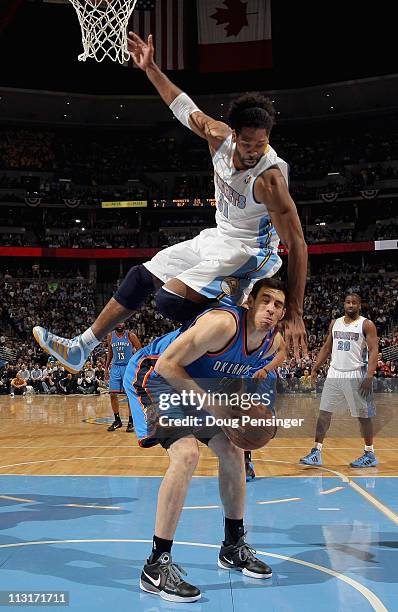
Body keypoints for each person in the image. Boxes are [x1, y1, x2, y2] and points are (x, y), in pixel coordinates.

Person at [32, 32, 307, 372]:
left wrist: (295, 311)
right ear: (233, 135)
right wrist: (150, 68)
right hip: (219, 238)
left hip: (251, 253)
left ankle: (229, 344)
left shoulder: (270, 180)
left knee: (168, 299)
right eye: (248, 144)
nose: (254, 152)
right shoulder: (217, 136)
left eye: (261, 145)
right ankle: (81, 347)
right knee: (140, 277)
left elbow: (297, 244)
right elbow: (182, 106)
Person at [123, 278, 286, 602]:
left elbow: (236, 376)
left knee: (232, 450)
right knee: (187, 455)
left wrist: (236, 414)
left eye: (278, 305)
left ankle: (233, 547)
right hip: (154, 376)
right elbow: (168, 365)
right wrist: (212, 405)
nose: (270, 309)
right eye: (265, 300)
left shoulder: (269, 342)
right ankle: (155, 566)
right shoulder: (222, 324)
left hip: (198, 386)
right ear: (250, 302)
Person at [300, 293, 379, 468]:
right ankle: (316, 452)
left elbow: (374, 351)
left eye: (354, 303)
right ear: (344, 304)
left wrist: (369, 376)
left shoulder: (366, 324)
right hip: (334, 373)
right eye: (348, 302)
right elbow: (327, 347)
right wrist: (315, 367)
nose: (351, 305)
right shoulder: (335, 323)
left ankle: (370, 453)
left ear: (360, 305)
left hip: (355, 374)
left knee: (363, 417)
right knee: (324, 413)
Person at [244, 331, 287, 481]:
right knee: (241, 420)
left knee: (256, 422)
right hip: (241, 374)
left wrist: (266, 369)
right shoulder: (237, 327)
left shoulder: (271, 331)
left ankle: (269, 416)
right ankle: (245, 462)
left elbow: (282, 353)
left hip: (264, 376)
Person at [105, 323, 141, 432]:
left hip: (128, 367)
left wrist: (137, 366)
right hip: (115, 367)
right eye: (118, 322)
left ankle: (131, 422)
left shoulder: (130, 335)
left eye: (122, 322)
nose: (120, 324)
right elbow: (110, 353)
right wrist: (106, 368)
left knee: (129, 395)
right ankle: (117, 420)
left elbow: (140, 351)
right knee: (112, 394)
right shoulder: (110, 336)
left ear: (124, 323)